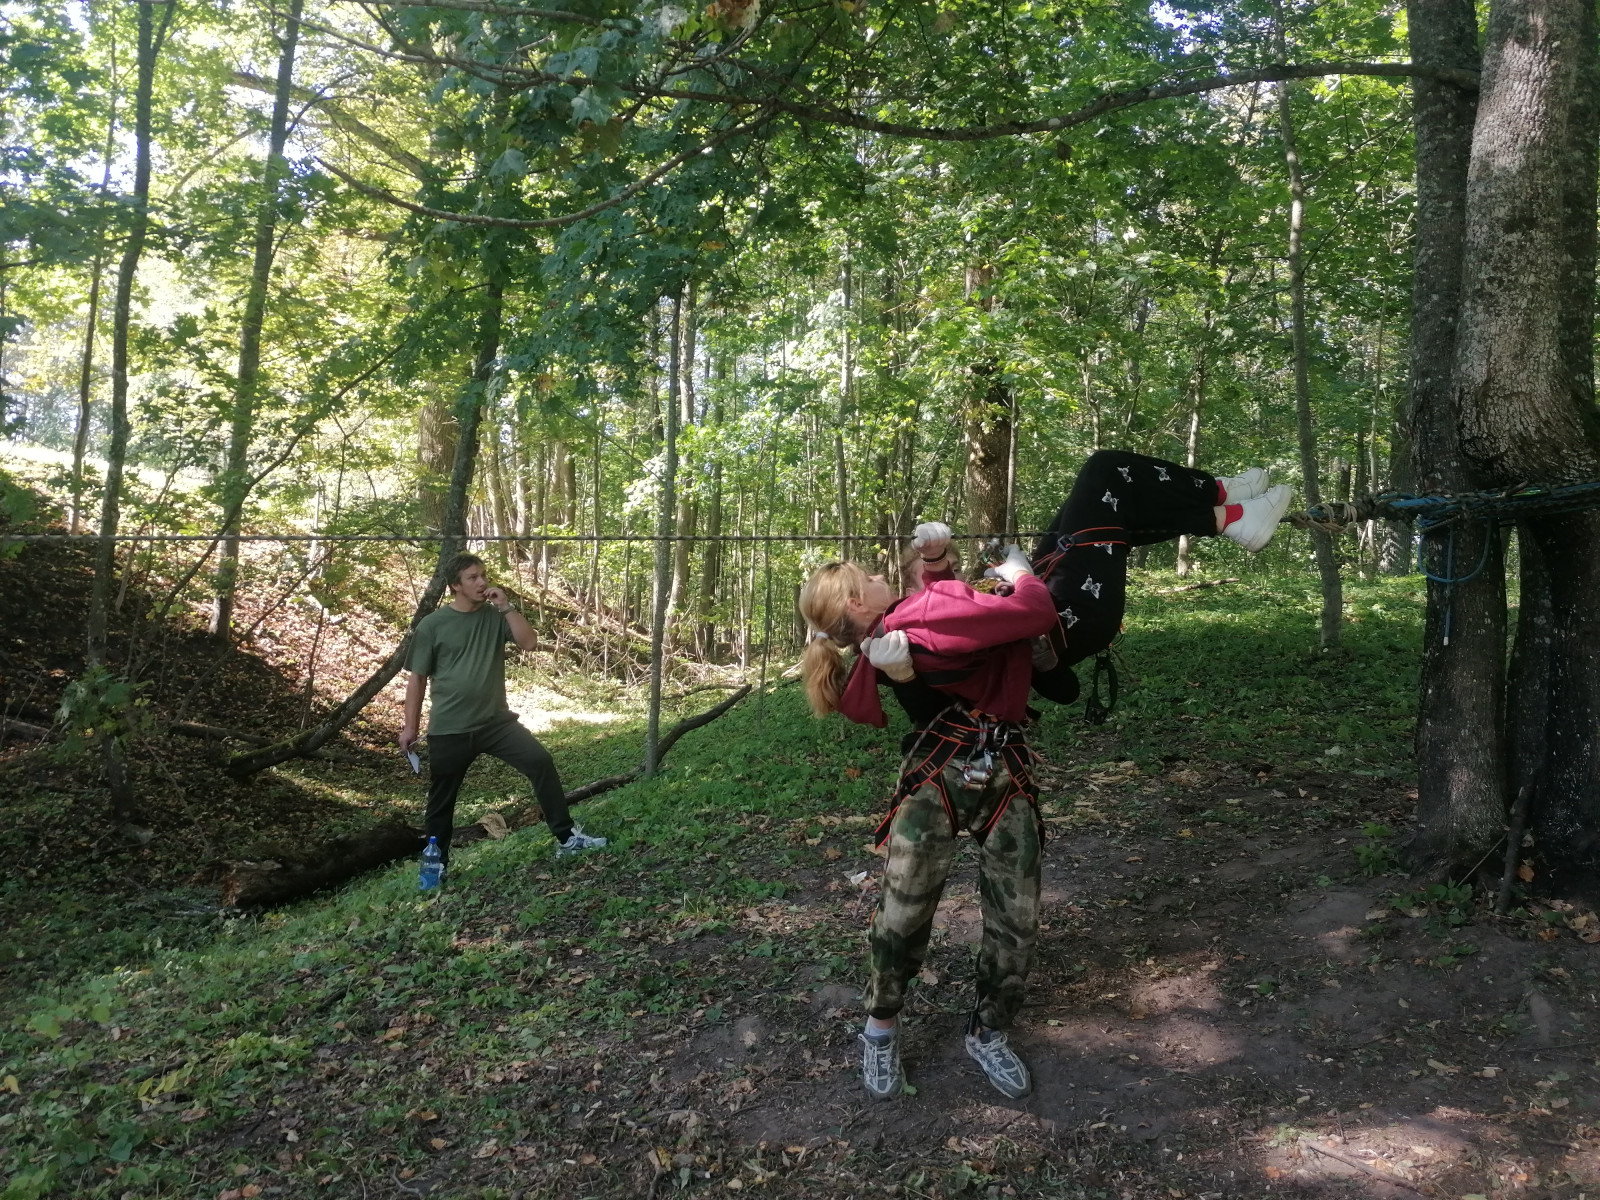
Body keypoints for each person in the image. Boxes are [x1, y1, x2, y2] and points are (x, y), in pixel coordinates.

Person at [799, 451, 1291, 1102]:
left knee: (1017, 916)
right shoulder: (896, 636)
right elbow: (943, 637)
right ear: (857, 601)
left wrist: (940, 569)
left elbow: (959, 626)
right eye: (869, 576)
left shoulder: (903, 623)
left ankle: (988, 1031)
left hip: (1005, 771)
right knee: (903, 912)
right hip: (940, 775)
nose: (882, 571)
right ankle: (881, 1030)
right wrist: (1010, 585)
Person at [398, 553, 605, 878]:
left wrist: (506, 607)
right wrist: (409, 727)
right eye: (472, 577)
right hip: (450, 728)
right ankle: (434, 865)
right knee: (441, 801)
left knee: (540, 762)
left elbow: (529, 643)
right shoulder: (432, 625)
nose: (482, 582)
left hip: (496, 723)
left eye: (483, 575)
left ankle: (567, 838)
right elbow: (417, 679)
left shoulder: (495, 617)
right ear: (455, 585)